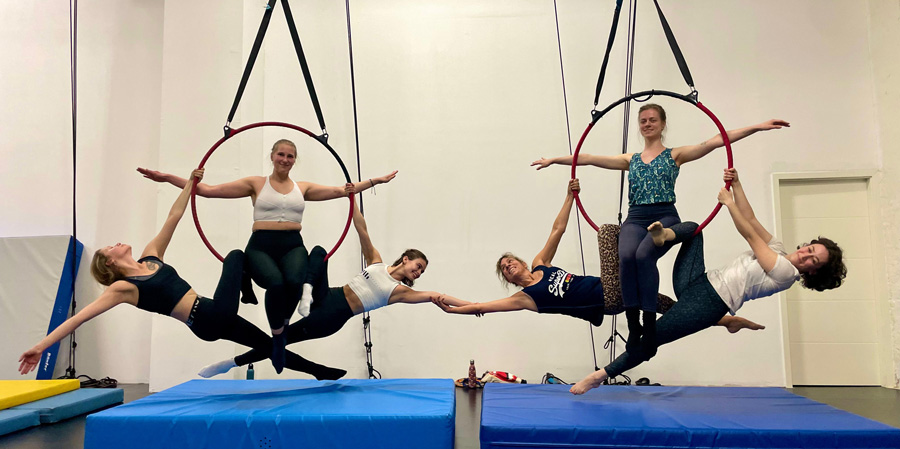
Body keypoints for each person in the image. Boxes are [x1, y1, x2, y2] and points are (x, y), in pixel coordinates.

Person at [18, 170, 343, 380]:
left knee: (272, 344)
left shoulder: (151, 257)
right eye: (109, 248)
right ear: (111, 264)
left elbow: (174, 216)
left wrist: (189, 182)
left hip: (211, 314)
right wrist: (41, 347)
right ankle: (246, 288)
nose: (116, 243)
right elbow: (79, 318)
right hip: (208, 316)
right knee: (236, 255)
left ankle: (319, 373)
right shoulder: (124, 287)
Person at [532, 105, 789, 358]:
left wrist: (757, 127)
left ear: (663, 124)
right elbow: (587, 158)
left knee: (644, 255)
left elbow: (715, 141)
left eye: (652, 119)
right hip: (635, 217)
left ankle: (649, 322)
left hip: (664, 215)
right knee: (625, 257)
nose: (647, 124)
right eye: (643, 120)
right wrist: (555, 160)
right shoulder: (629, 159)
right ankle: (634, 325)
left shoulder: (674, 155)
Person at [569, 168, 847, 395]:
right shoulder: (780, 248)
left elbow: (749, 235)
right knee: (692, 230)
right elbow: (751, 218)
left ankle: (598, 376)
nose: (806, 255)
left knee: (651, 341)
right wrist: (737, 185)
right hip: (698, 281)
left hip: (710, 302)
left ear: (813, 273)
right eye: (810, 249)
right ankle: (663, 236)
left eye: (814, 260)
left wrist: (727, 204)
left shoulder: (786, 273)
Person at [137, 139, 397, 372]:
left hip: (293, 245)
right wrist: (168, 178)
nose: (285, 159)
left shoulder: (302, 187)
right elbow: (207, 190)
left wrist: (375, 182)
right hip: (261, 245)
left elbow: (344, 191)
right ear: (272, 156)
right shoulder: (255, 183)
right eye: (281, 154)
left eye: (290, 156)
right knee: (275, 283)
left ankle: (280, 333)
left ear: (295, 160)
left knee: (295, 282)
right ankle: (277, 333)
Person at [431, 179, 762, 336]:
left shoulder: (540, 266)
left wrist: (569, 196)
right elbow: (481, 307)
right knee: (608, 233)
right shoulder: (525, 298)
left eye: (510, 260)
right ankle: (651, 247)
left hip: (614, 290)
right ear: (507, 277)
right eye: (505, 268)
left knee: (660, 301)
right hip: (608, 300)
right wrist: (448, 302)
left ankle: (723, 321)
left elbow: (557, 230)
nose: (510, 265)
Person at [197, 201, 474, 378]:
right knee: (319, 252)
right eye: (419, 265)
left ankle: (231, 363)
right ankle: (305, 290)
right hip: (326, 293)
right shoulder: (376, 261)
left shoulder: (401, 291)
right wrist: (352, 195)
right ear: (406, 258)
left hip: (334, 315)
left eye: (422, 271)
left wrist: (472, 307)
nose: (419, 272)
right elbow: (361, 229)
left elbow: (438, 296)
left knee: (278, 343)